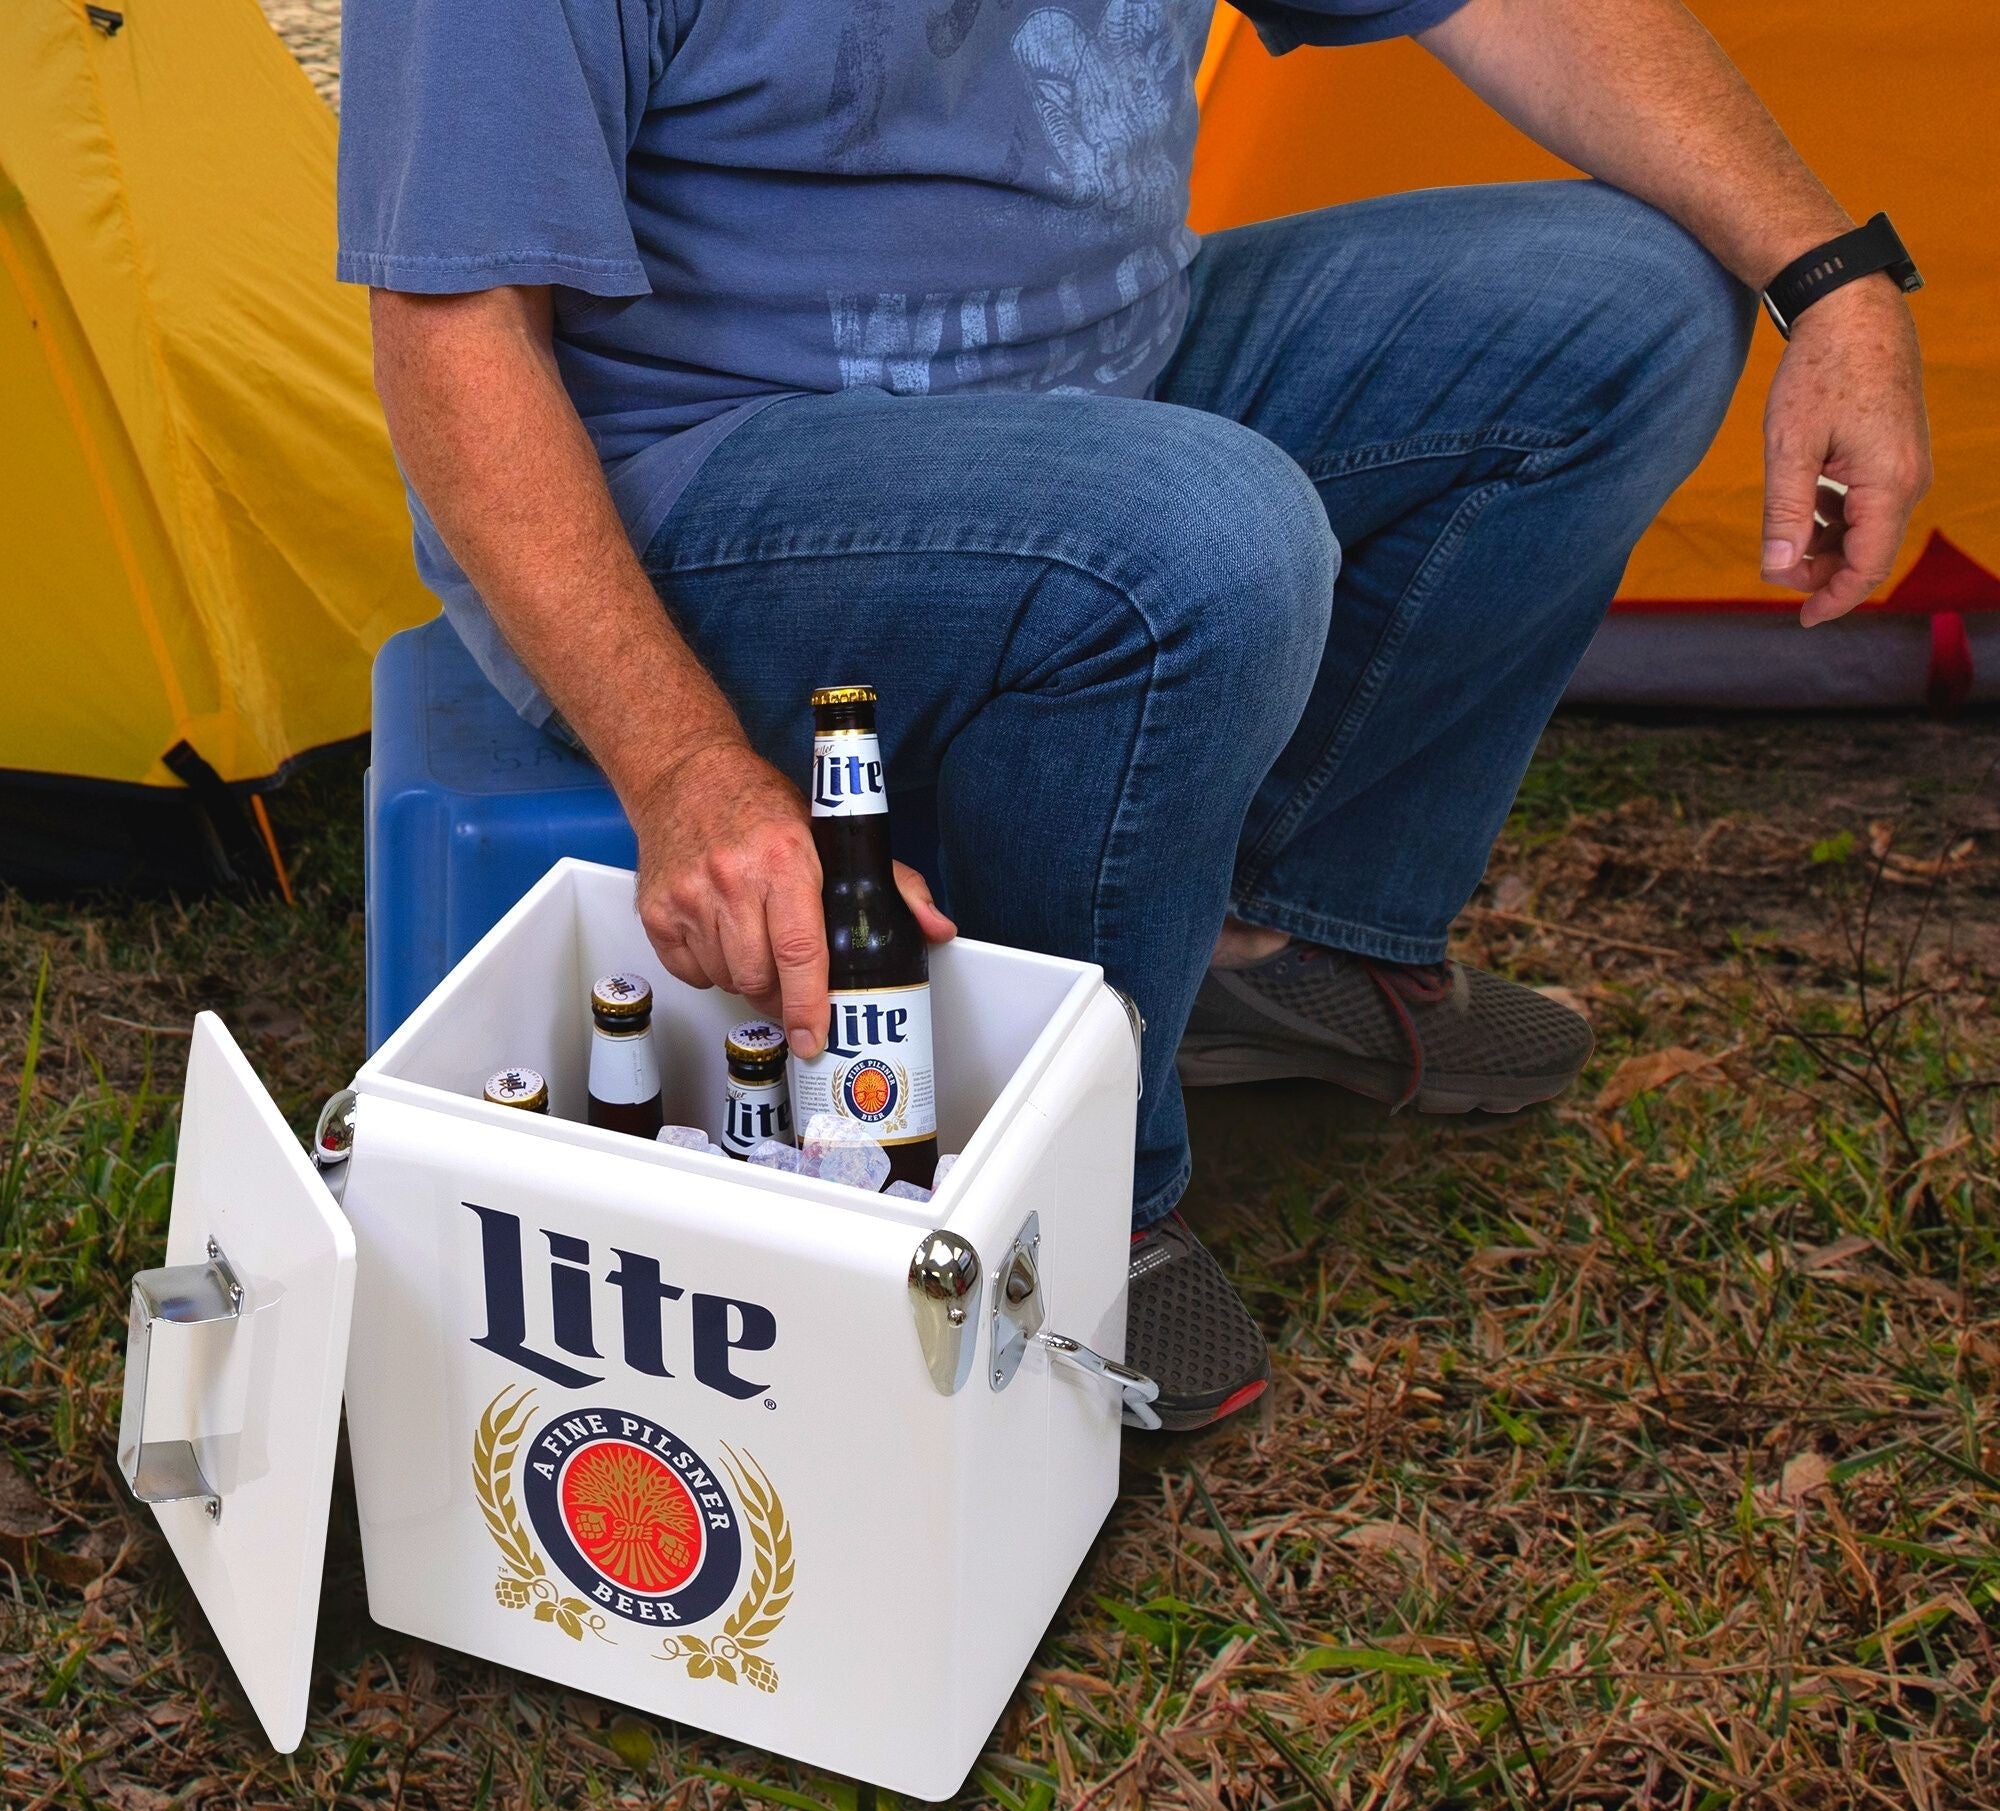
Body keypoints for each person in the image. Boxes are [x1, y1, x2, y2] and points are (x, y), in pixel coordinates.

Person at [338, 0, 1930, 1430]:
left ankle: (1284, 946)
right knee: (1205, 534)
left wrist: (1835, 280)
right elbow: (451, 336)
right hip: (696, 488)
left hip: (1107, 390)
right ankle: (1078, 1196)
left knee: (1632, 303)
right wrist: (684, 767)